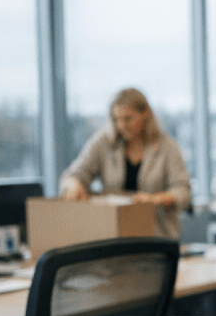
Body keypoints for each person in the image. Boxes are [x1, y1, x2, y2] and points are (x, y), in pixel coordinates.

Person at [59, 87, 192, 239]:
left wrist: (154, 199)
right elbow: (75, 174)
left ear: (145, 114)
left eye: (128, 118)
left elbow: (183, 192)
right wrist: (73, 185)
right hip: (112, 237)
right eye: (116, 119)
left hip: (157, 238)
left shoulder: (167, 147)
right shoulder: (103, 142)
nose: (121, 125)